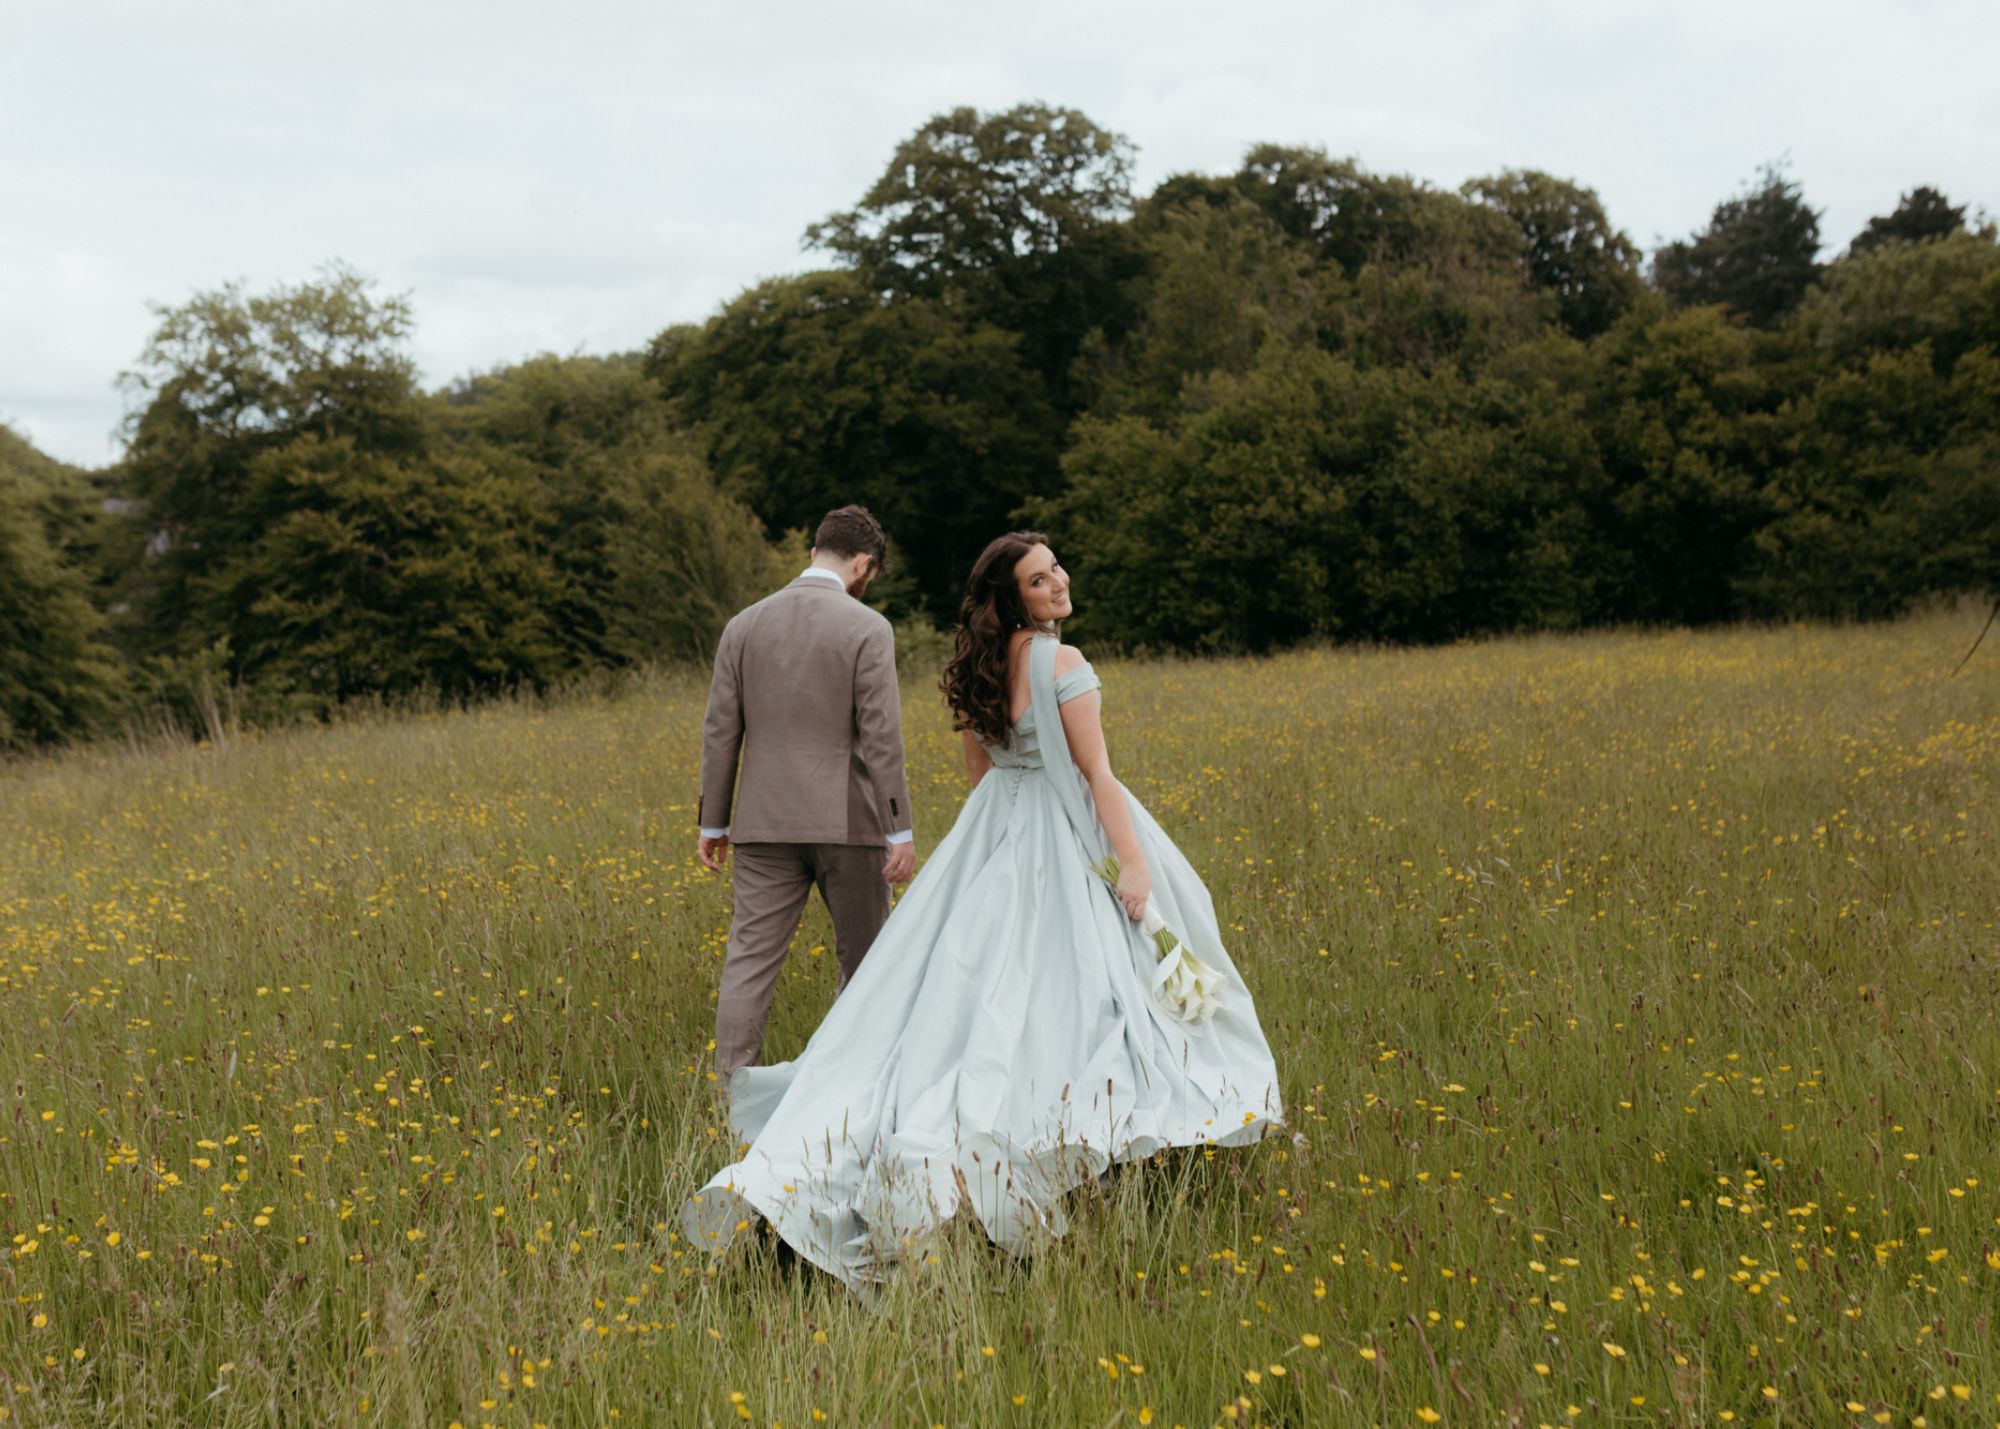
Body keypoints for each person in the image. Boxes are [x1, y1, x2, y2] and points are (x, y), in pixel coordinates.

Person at [686, 530, 1283, 1293]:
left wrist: (1003, 856)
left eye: (1058, 567)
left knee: (983, 988)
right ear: (1015, 597)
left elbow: (982, 774)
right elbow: (1097, 774)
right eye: (1040, 578)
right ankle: (1088, 1143)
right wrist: (1132, 866)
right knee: (1085, 985)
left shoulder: (978, 670)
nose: (1059, 581)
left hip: (996, 833)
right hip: (1065, 833)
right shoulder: (1064, 664)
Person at [697, 504, 916, 1085]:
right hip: (849, 823)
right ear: (863, 563)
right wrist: (900, 829)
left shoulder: (742, 626)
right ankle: (852, 1086)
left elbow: (721, 733)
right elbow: (881, 737)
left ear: (813, 551)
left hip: (762, 822)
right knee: (866, 963)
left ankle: (730, 1093)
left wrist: (712, 825)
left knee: (749, 962)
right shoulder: (868, 628)